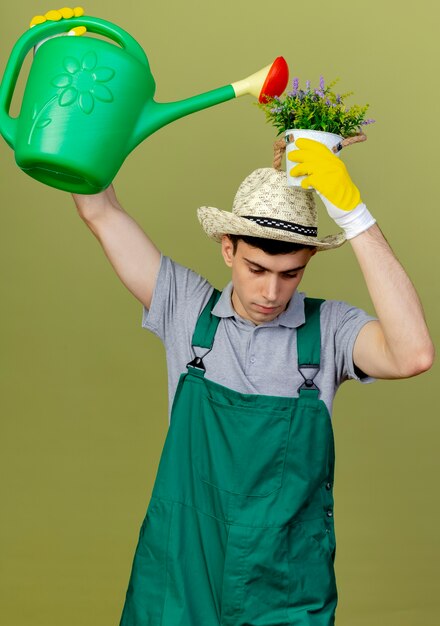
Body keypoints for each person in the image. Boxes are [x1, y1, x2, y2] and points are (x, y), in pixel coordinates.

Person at [29, 9, 435, 626]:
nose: (273, 291)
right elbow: (100, 210)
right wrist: (72, 85)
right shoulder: (185, 309)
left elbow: (413, 355)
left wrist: (355, 217)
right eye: (256, 269)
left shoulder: (327, 335)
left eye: (292, 272)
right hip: (179, 580)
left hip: (283, 587)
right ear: (228, 248)